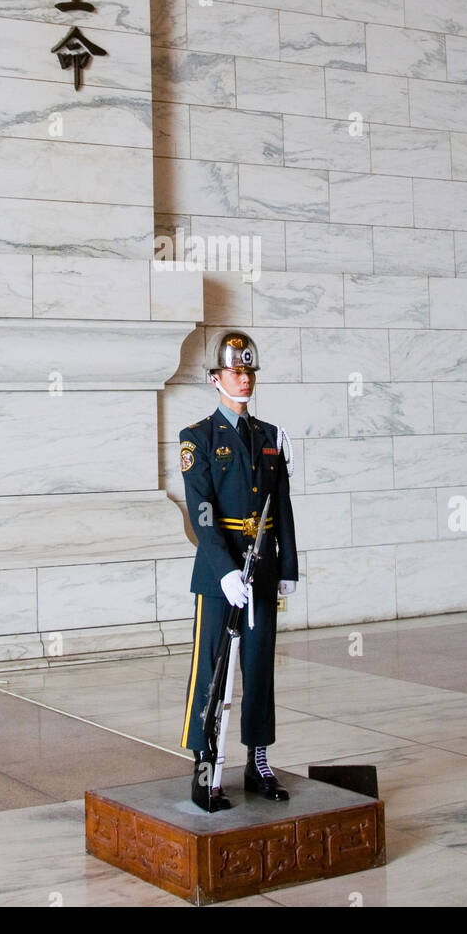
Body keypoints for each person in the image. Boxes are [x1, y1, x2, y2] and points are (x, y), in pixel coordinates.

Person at [179, 331, 298, 811]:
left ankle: (258, 759)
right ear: (215, 379)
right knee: (209, 669)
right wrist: (227, 570)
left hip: (263, 569)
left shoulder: (271, 436)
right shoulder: (198, 439)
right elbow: (201, 510)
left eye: (249, 371)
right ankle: (204, 764)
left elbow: (282, 507)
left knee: (259, 665)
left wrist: (287, 564)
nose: (243, 378)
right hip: (219, 571)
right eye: (234, 371)